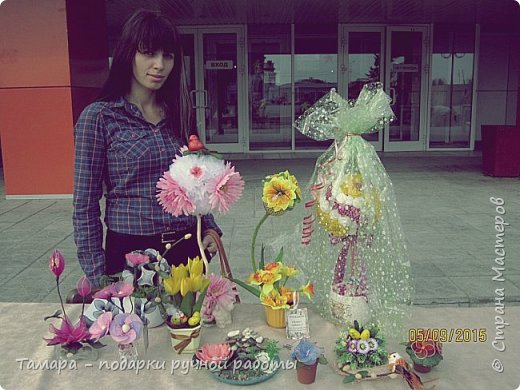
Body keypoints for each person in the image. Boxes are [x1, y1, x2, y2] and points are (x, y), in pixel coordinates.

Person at [72, 9, 220, 289]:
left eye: (168, 55)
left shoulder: (180, 112)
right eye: (149, 53)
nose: (159, 65)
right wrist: (98, 277)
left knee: (188, 330)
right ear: (129, 54)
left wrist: (209, 228)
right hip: (131, 253)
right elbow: (84, 206)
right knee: (138, 331)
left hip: (186, 246)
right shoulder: (100, 117)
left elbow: (196, 183)